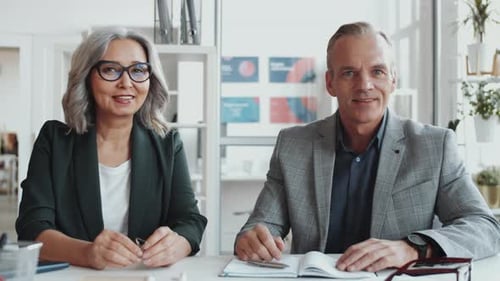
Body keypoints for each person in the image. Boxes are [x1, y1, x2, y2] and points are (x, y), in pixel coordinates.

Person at [234, 21, 500, 272]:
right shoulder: (293, 145)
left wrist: (413, 248)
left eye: (378, 71)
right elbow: (263, 224)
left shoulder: (434, 146)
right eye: (349, 73)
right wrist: (254, 238)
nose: (364, 86)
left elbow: (485, 227)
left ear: (393, 79)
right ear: (330, 83)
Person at [15, 27, 207, 269]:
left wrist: (177, 243)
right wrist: (87, 253)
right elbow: (32, 229)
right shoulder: (55, 140)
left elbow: (190, 220)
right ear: (87, 77)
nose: (126, 82)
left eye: (138, 70)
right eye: (110, 70)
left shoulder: (167, 143)